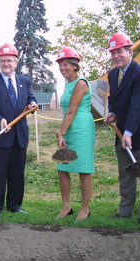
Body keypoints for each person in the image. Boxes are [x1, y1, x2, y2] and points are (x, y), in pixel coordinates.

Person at [104, 33, 140, 226]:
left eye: (119, 51)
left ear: (130, 51)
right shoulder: (113, 74)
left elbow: (139, 106)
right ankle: (125, 211)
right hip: (121, 133)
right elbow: (114, 98)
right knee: (125, 174)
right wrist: (112, 112)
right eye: (113, 52)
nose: (116, 56)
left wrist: (129, 133)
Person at [0, 43, 37, 221]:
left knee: (17, 173)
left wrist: (33, 103)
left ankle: (14, 205)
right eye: (3, 60)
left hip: (19, 136)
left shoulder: (24, 81)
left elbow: (30, 98)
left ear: (16, 62)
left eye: (10, 60)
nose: (6, 64)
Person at [54, 47, 95, 221]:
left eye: (66, 65)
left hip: (82, 128)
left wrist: (61, 132)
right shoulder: (67, 83)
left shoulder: (81, 83)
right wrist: (63, 131)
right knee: (62, 167)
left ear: (75, 65)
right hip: (69, 127)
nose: (63, 68)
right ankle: (66, 206)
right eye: (60, 65)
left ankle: (85, 208)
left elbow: (72, 110)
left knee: (83, 169)